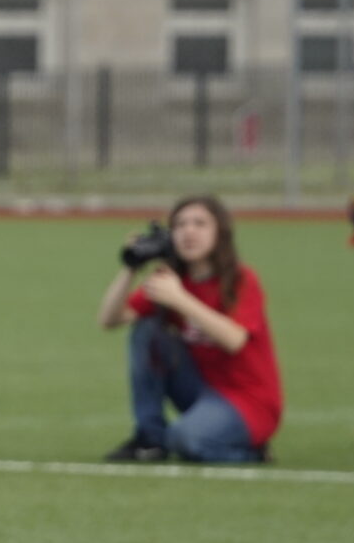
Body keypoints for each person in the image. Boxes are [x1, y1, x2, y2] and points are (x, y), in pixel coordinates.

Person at [97, 195, 282, 464]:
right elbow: (109, 319)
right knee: (147, 330)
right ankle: (149, 439)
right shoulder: (172, 281)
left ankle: (253, 452)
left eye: (200, 224)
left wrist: (180, 299)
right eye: (180, 225)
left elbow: (234, 340)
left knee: (185, 440)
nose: (188, 231)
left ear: (220, 233)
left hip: (249, 401)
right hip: (200, 390)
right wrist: (130, 268)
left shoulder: (241, 279)